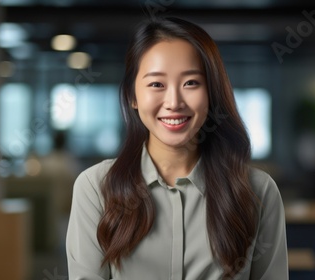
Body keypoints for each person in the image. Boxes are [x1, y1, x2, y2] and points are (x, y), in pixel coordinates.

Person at [66, 17, 288, 280]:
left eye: (191, 83)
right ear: (133, 96)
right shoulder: (95, 188)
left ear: (212, 93)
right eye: (157, 84)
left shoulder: (258, 192)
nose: (174, 102)